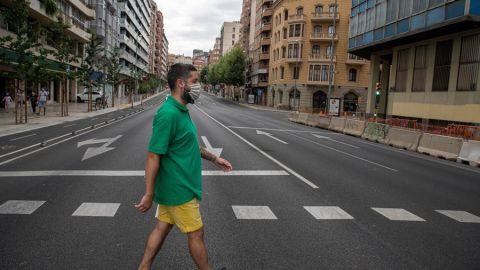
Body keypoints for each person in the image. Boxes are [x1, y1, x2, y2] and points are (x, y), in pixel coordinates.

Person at [135, 63, 233, 270]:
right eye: (195, 81)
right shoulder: (168, 113)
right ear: (181, 83)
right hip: (179, 188)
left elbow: (189, 145)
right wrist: (148, 194)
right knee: (196, 234)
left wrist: (215, 159)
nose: (199, 86)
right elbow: (153, 155)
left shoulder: (181, 110)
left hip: (177, 186)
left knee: (162, 227)